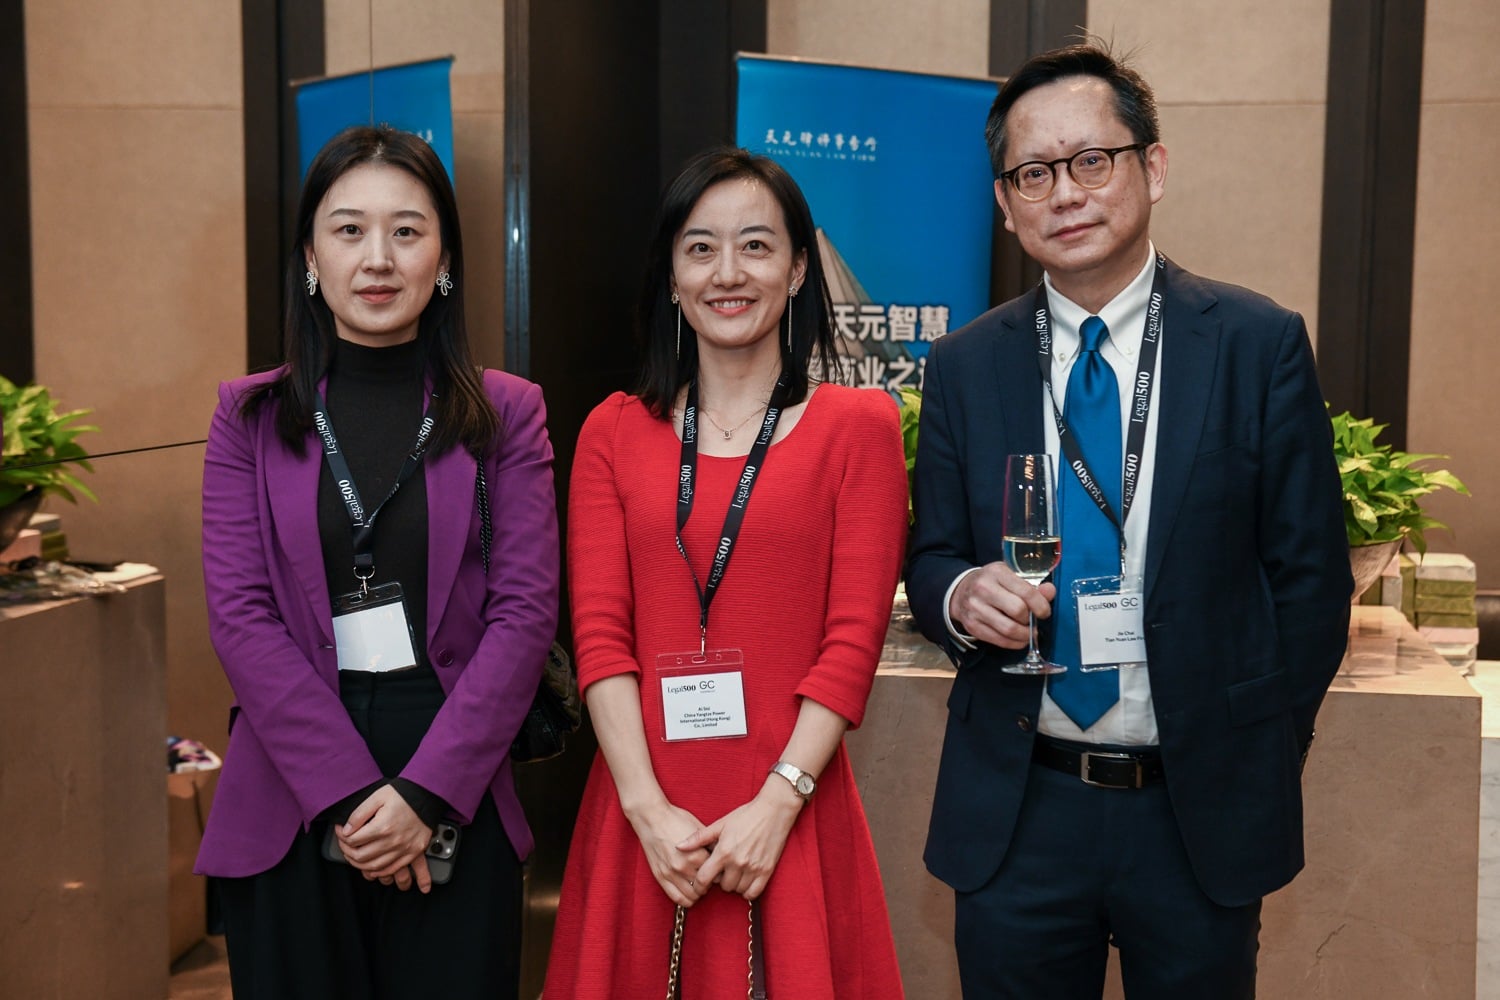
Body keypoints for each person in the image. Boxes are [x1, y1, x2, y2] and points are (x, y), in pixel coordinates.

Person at [906, 44, 1354, 999]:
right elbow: (932, 554)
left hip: (1196, 812)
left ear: (1152, 167)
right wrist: (959, 594)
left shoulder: (1256, 344)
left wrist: (1257, 751)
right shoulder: (965, 365)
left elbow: (1312, 583)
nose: (1065, 193)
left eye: (1090, 160)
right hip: (1019, 806)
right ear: (1005, 204)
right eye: (1033, 173)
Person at [196, 124, 560, 999]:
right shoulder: (247, 418)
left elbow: (524, 616)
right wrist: (353, 796)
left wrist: (424, 797)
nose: (378, 259)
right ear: (311, 257)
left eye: (407, 231)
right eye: (349, 229)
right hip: (290, 798)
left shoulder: (507, 413)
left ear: (445, 259)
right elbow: (240, 618)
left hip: (455, 790)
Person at [544, 147, 908, 999]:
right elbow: (600, 639)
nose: (728, 273)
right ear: (672, 278)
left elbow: (851, 644)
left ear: (798, 269)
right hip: (644, 819)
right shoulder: (612, 431)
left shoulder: (859, 427)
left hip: (790, 812)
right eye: (701, 249)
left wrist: (779, 802)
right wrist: (647, 810)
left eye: (756, 245)